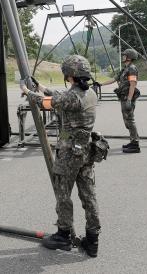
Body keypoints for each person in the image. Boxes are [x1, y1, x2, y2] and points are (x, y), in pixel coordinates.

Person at [20, 55, 101, 257]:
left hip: (70, 153)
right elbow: (60, 96)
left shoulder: (72, 97)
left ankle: (63, 236)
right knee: (88, 195)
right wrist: (41, 87)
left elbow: (47, 102)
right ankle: (92, 240)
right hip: (86, 150)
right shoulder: (89, 92)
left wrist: (27, 91)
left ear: (70, 74)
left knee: (63, 195)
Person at [97, 48, 141, 153]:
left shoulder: (132, 69)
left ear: (129, 57)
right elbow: (114, 79)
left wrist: (129, 100)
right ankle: (133, 141)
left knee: (130, 120)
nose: (123, 56)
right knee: (127, 121)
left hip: (128, 98)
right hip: (123, 97)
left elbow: (133, 84)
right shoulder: (125, 69)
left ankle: (135, 144)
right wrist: (101, 84)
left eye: (124, 55)